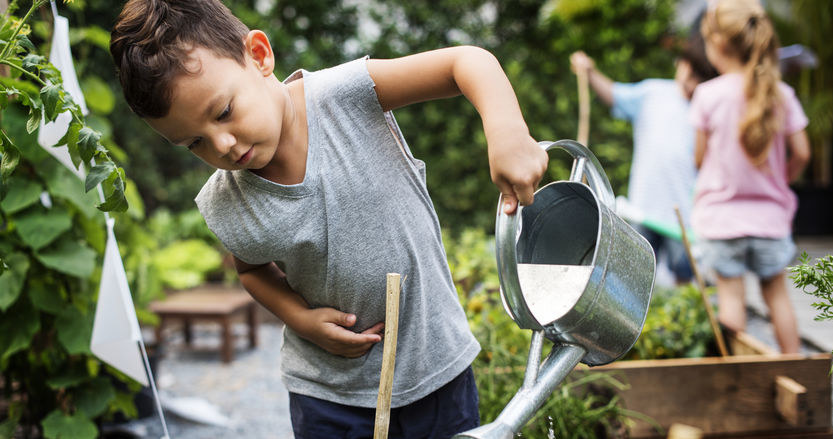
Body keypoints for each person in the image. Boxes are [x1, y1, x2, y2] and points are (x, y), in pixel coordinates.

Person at [109, 0, 548, 437]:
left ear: (259, 56)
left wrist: (506, 130)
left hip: (436, 370)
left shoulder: (348, 95)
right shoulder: (229, 203)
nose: (221, 144)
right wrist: (300, 319)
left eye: (224, 112)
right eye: (193, 143)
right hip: (328, 396)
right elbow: (251, 271)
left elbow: (465, 62)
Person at [690, 0, 811, 353]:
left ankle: (736, 378)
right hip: (770, 220)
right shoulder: (781, 94)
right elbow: (802, 152)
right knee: (777, 297)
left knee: (731, 300)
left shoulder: (707, 95)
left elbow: (698, 159)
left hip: (721, 220)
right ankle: (795, 370)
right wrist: (781, 181)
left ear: (718, 44)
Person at [568, 23, 718, 285]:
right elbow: (616, 95)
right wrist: (590, 73)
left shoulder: (708, 106)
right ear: (681, 63)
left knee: (685, 273)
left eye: (700, 77)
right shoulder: (654, 93)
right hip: (643, 207)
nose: (691, 82)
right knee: (634, 278)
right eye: (690, 72)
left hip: (684, 213)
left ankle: (681, 320)